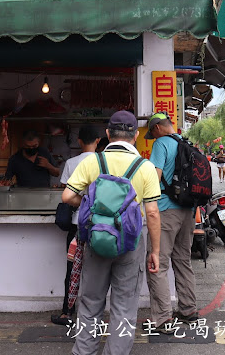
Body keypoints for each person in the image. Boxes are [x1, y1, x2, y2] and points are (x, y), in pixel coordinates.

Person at [61, 111, 161, 355]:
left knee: (91, 301)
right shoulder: (145, 166)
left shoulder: (92, 162)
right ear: (136, 136)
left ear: (107, 134)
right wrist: (155, 251)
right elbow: (153, 213)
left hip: (96, 239)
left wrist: (92, 204)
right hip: (131, 243)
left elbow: (67, 196)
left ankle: (84, 351)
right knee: (125, 305)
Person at [143, 112, 197, 331]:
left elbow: (154, 179)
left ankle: (163, 317)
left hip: (166, 211)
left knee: (157, 263)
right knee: (183, 260)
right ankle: (188, 309)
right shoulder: (187, 143)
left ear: (156, 128)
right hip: (189, 211)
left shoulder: (160, 144)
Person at [51, 125, 100, 326]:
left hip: (77, 224)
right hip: (99, 224)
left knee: (73, 269)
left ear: (79, 141)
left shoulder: (71, 163)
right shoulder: (104, 161)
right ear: (98, 141)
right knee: (98, 269)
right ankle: (94, 314)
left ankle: (67, 312)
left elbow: (66, 193)